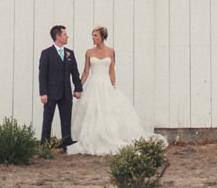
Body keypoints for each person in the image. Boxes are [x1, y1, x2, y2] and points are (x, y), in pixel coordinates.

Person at [69, 25, 163, 155]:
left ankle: (110, 135)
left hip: (106, 85)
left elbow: (112, 70)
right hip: (94, 84)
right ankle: (94, 138)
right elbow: (86, 72)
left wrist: (113, 84)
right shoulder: (89, 52)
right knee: (93, 113)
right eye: (92, 35)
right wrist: (78, 87)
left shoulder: (110, 51)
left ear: (102, 37)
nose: (93, 38)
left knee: (109, 112)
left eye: (95, 35)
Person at [38, 24, 83, 150]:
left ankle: (66, 142)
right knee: (48, 119)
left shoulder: (70, 53)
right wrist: (43, 93)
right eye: (64, 34)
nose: (67, 36)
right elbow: (42, 75)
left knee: (66, 119)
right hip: (51, 93)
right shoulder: (46, 53)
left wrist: (78, 88)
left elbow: (75, 72)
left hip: (66, 93)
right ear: (58, 37)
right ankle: (45, 143)